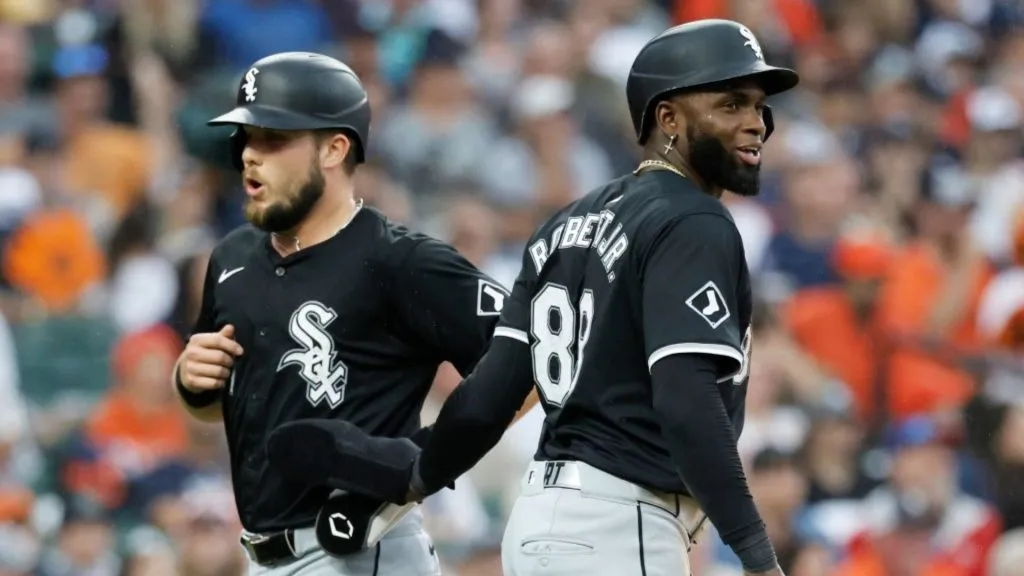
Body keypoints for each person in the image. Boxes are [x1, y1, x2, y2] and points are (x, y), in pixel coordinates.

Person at [269, 19, 800, 576]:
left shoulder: (564, 224)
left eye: (760, 107)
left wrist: (414, 477)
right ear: (667, 118)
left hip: (537, 525)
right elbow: (686, 402)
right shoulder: (692, 221)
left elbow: (486, 401)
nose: (755, 123)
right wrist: (760, 558)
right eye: (731, 104)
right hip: (622, 527)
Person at [172, 51, 536, 575]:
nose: (250, 155)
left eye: (274, 138)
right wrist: (189, 380)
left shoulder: (400, 261)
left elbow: (532, 360)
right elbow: (221, 405)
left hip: (362, 550)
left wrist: (422, 466)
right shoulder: (231, 258)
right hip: (261, 555)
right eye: (247, 138)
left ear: (334, 148)